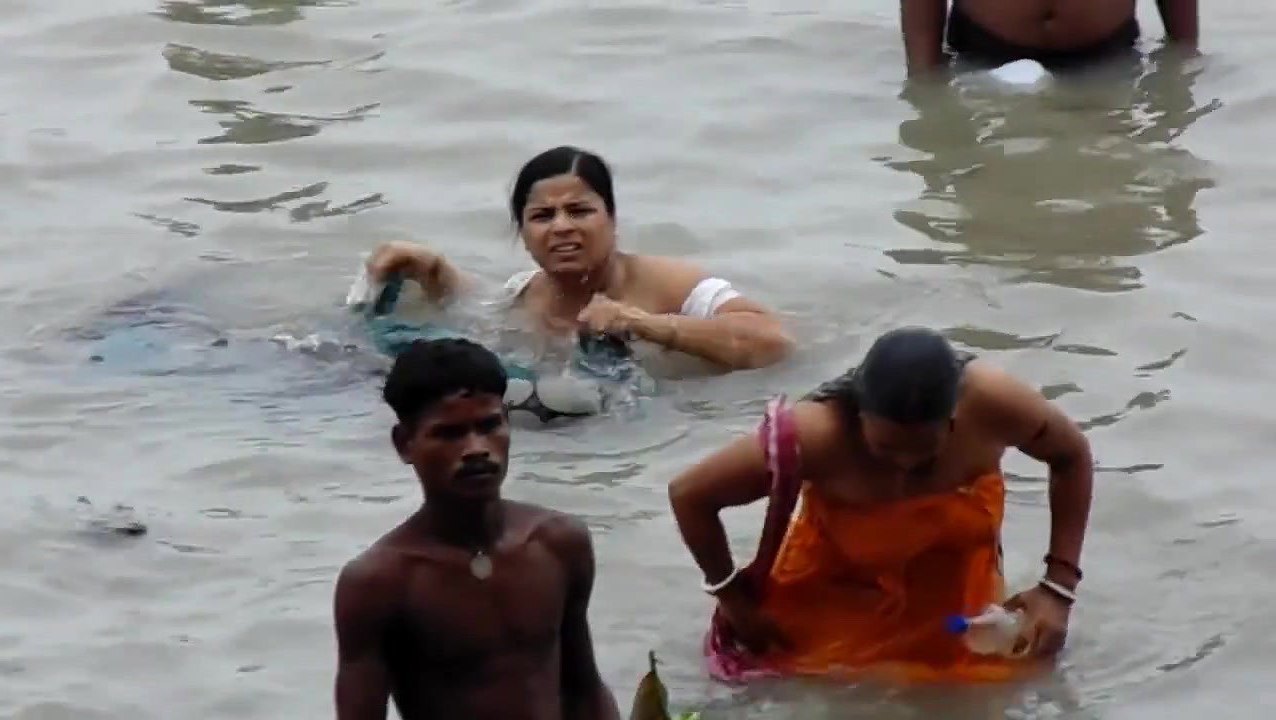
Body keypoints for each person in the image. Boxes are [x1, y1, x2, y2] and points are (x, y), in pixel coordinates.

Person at [668, 327, 1094, 683]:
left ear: (954, 421)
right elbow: (690, 495)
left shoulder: (991, 406)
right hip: (836, 610)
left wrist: (1058, 589)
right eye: (885, 448)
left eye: (925, 451)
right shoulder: (816, 435)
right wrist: (733, 600)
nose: (905, 465)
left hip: (954, 613)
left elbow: (1072, 455)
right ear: (859, 417)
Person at [332, 338, 620, 719]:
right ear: (405, 444)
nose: (476, 448)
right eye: (449, 433)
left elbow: (585, 689)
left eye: (489, 425)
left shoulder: (559, 543)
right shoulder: (380, 584)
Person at [364, 146, 792, 373]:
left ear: (612, 218)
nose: (562, 227)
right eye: (542, 216)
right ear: (524, 236)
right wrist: (432, 270)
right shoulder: (523, 293)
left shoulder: (673, 285)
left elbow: (773, 343)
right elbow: (474, 309)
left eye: (580, 211)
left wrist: (644, 324)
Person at [901, 0, 1199, 76]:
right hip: (980, 57)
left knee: (1112, 212)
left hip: (1108, 61)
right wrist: (924, 76)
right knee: (990, 218)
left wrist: (1184, 59)